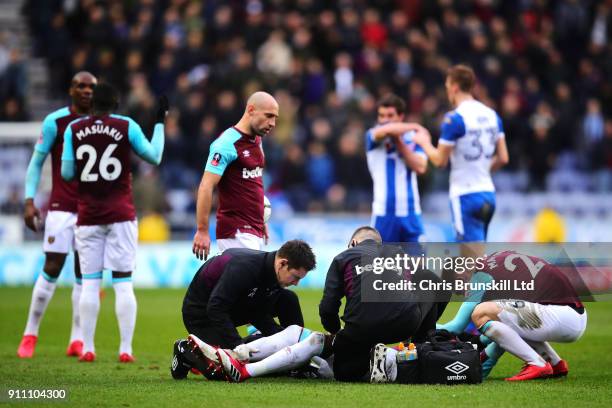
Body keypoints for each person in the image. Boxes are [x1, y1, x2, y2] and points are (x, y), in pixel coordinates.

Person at [61, 83, 167, 362]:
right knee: (123, 283)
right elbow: (154, 157)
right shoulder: (126, 125)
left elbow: (67, 172)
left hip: (88, 216)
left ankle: (87, 347)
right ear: (116, 103)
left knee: (89, 284)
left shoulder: (74, 129)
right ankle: (125, 349)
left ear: (91, 104)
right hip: (121, 214)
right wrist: (159, 122)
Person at [17, 71, 97, 359]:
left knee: (83, 272)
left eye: (91, 87)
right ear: (70, 89)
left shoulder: (104, 123)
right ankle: (30, 333)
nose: (86, 91)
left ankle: (76, 339)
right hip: (62, 207)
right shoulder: (55, 122)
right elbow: (37, 162)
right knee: (52, 265)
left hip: (92, 209)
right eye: (81, 86)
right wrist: (29, 200)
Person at [171, 239, 316, 380]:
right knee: (229, 370)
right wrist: (237, 344)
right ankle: (186, 351)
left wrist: (289, 345)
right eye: (295, 277)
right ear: (282, 263)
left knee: (288, 298)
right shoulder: (244, 267)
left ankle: (298, 360)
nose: (296, 283)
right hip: (201, 315)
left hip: (234, 306)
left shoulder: (273, 272)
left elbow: (257, 313)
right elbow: (216, 307)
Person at [437, 250, 587, 381]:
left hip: (559, 315)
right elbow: (504, 331)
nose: (465, 293)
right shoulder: (493, 261)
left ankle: (537, 363)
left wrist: (420, 326)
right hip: (572, 315)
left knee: (480, 312)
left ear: (462, 270)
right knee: (496, 317)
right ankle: (555, 363)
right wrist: (486, 355)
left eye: (460, 285)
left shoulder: (480, 275)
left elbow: (455, 327)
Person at [412, 65, 509, 244]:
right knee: (478, 255)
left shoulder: (454, 119)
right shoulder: (492, 115)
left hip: (466, 195)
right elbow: (503, 157)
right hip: (488, 193)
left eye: (447, 87)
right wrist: (483, 171)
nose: (447, 92)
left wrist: (424, 142)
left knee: (470, 263)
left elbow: (440, 161)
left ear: (454, 87)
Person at [192, 91, 279, 260]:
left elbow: (252, 181)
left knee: (247, 286)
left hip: (253, 229)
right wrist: (202, 230)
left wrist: (260, 218)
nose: (273, 123)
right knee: (250, 285)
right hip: (236, 232)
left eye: (275, 118)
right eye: (269, 116)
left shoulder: (257, 140)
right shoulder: (226, 144)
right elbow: (206, 186)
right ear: (251, 110)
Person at [365, 94, 428, 243]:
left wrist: (400, 143)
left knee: (418, 266)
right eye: (381, 116)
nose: (385, 120)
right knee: (381, 266)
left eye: (390, 115)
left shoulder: (413, 138)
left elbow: (420, 167)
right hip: (384, 215)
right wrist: (416, 126)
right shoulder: (373, 135)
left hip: (411, 213)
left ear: (401, 116)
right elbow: (386, 130)